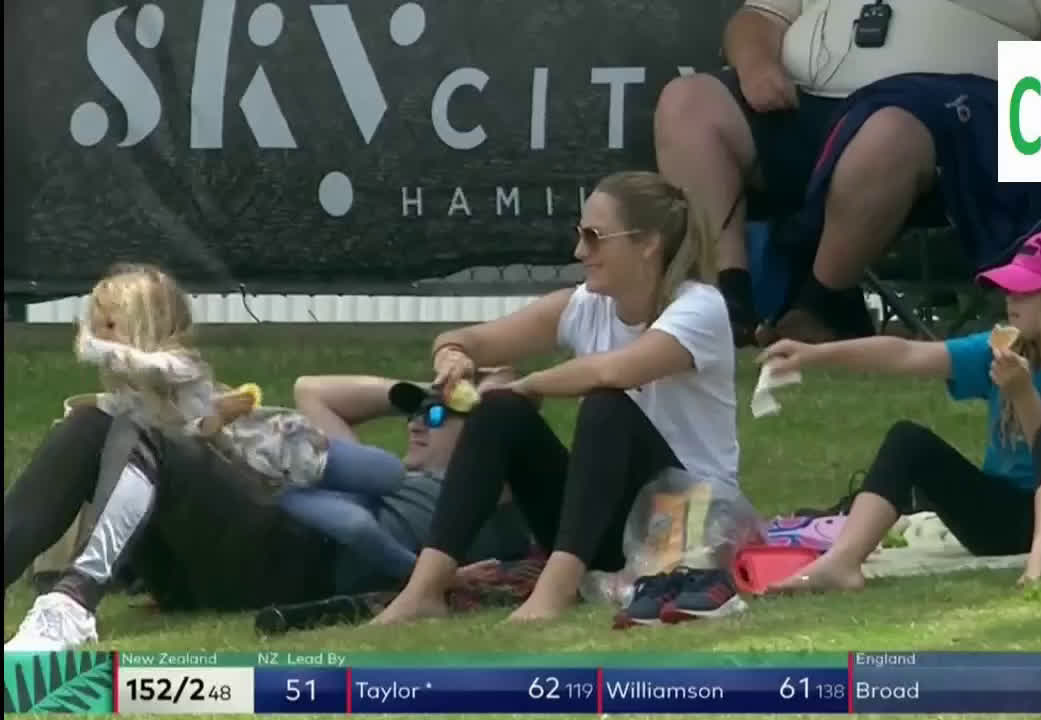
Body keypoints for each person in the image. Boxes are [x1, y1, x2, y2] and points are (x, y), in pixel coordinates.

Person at [372, 170, 740, 624]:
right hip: (608, 532)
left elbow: (612, 371)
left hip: (688, 528)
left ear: (648, 243)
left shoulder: (700, 307)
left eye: (594, 237)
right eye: (579, 235)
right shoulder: (586, 306)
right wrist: (452, 356)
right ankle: (423, 590)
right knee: (499, 410)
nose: (579, 251)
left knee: (606, 404)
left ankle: (554, 591)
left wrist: (527, 386)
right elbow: (471, 339)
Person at [655, 0, 1041, 346]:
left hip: (950, 116)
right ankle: (727, 301)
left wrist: (1025, 102)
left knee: (888, 128)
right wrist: (757, 66)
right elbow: (757, 17)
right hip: (808, 103)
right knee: (687, 102)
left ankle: (821, 305)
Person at [3, 371, 529, 651]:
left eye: (439, 415)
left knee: (147, 431)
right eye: (418, 412)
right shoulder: (382, 473)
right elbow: (313, 389)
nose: (418, 421)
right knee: (97, 419)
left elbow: (509, 407)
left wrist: (486, 392)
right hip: (222, 564)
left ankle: (72, 606)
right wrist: (423, 390)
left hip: (295, 562)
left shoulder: (491, 501)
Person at [757, 230, 1041, 591]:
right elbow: (906, 354)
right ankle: (842, 562)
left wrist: (1022, 394)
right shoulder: (1003, 347)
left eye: (1026, 291)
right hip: (1003, 522)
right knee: (908, 440)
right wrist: (813, 355)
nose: (1011, 299)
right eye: (1010, 288)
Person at [72, 264, 416, 581]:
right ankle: (419, 577)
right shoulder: (129, 396)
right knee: (356, 527)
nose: (101, 337)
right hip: (266, 488)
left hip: (288, 448)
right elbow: (166, 438)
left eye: (110, 326)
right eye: (97, 326)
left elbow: (158, 368)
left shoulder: (179, 363)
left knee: (391, 474)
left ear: (148, 322)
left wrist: (96, 347)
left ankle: (352, 495)